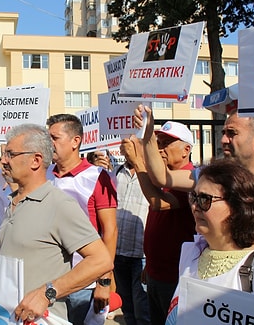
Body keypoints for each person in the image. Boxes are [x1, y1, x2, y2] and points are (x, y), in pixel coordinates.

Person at [133, 105, 254, 280]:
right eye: (223, 133)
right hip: (214, 292)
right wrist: (148, 135)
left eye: (232, 133)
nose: (224, 140)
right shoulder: (211, 179)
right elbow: (162, 178)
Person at [0, 124, 113, 322]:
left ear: (35, 160)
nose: (3, 160)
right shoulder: (11, 202)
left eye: (10, 154)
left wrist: (47, 293)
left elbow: (101, 260)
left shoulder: (59, 204)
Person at [166, 159, 254, 324]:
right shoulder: (192, 252)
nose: (195, 206)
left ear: (238, 208)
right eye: (193, 197)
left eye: (204, 199)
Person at [46, 114, 118, 325]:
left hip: (83, 282)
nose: (49, 143)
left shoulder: (97, 177)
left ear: (75, 141)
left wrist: (104, 282)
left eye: (55, 137)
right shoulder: (45, 174)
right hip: (48, 277)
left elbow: (110, 231)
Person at [123, 122, 195, 325]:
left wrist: (138, 162)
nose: (160, 150)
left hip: (175, 276)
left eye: (166, 144)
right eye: (158, 143)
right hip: (157, 272)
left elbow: (158, 204)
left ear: (186, 150)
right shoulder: (164, 178)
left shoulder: (189, 178)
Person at [112, 141, 151, 325]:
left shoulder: (151, 175)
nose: (124, 149)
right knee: (127, 307)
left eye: (130, 145)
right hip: (118, 253)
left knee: (142, 310)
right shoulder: (117, 173)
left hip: (141, 256)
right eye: (123, 145)